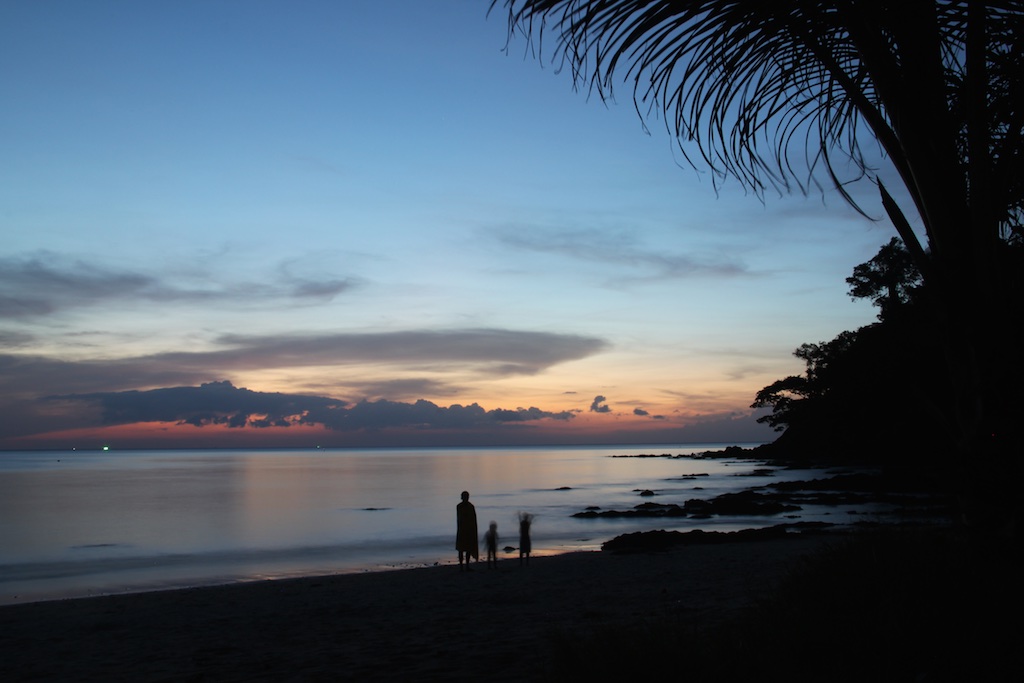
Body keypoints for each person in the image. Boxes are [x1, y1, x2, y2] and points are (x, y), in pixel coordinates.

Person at [456, 490, 478, 571]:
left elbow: (473, 519)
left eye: (467, 497)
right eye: (464, 497)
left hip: (468, 530)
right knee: (461, 549)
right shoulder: (459, 506)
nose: (466, 498)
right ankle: (462, 566)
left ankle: (467, 566)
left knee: (468, 549)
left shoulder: (470, 506)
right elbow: (461, 518)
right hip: (462, 530)